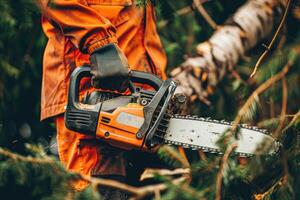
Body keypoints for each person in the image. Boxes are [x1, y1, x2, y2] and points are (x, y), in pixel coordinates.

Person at [38, 0, 201, 199]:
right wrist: (99, 44)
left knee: (173, 189)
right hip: (92, 99)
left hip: (147, 104)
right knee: (101, 192)